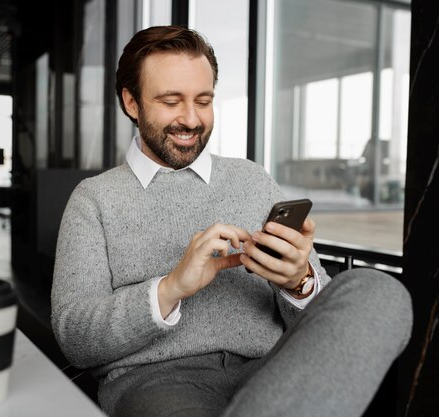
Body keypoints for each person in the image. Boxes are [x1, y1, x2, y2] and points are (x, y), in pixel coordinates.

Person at [51, 25, 413, 417]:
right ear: (132, 103)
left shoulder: (253, 179)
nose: (191, 119)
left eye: (203, 101)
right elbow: (75, 338)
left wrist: (300, 281)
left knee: (378, 290)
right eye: (171, 101)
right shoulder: (94, 200)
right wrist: (171, 288)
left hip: (275, 371)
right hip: (159, 383)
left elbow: (320, 317)